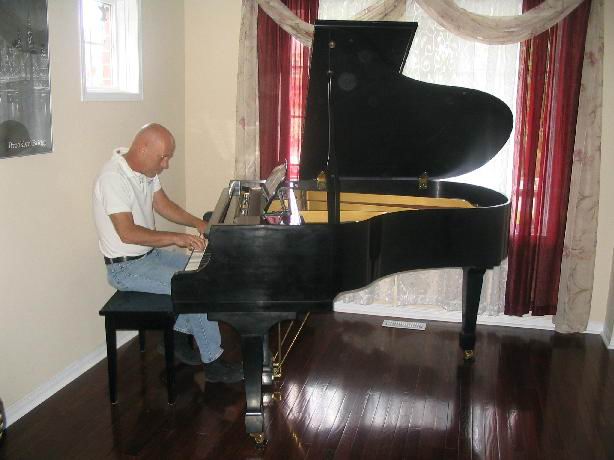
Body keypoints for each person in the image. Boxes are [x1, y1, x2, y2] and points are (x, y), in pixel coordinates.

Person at [92, 123, 242, 383]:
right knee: (195, 287)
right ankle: (214, 364)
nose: (166, 164)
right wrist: (177, 237)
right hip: (126, 269)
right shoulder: (112, 178)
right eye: (163, 158)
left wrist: (199, 224)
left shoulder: (144, 170)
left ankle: (177, 338)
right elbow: (127, 233)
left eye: (168, 157)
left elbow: (162, 205)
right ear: (143, 148)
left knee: (204, 269)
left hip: (149, 256)